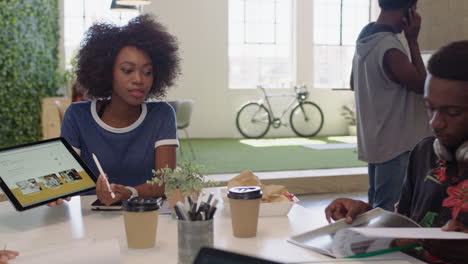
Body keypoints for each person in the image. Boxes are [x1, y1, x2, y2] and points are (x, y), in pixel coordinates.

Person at [327, 40, 468, 264]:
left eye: (451, 112)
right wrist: (365, 216)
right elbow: (405, 227)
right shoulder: (425, 153)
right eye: (430, 108)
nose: (436, 123)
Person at [52, 14, 180, 206]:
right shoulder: (78, 116)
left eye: (147, 71)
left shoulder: (161, 114)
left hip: (144, 216)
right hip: (91, 221)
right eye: (127, 70)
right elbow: (64, 179)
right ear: (105, 72)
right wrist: (54, 191)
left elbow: (165, 181)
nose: (139, 79)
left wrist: (129, 192)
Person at [350, 0, 432, 211]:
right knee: (389, 213)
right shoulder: (390, 47)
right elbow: (423, 87)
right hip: (397, 144)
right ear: (408, 10)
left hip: (377, 140)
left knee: (377, 208)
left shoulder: (365, 38)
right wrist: (413, 41)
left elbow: (353, 82)